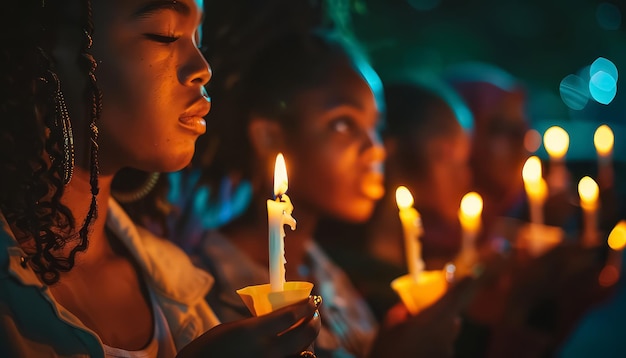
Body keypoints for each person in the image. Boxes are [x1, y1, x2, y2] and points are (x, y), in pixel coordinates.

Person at [0, 0, 320, 356]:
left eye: (200, 40)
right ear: (47, 53)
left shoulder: (175, 284)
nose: (202, 68)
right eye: (165, 34)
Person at [171, 5, 478, 351]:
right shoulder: (200, 290)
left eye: (376, 127)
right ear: (270, 137)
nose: (376, 150)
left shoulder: (329, 275)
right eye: (344, 124)